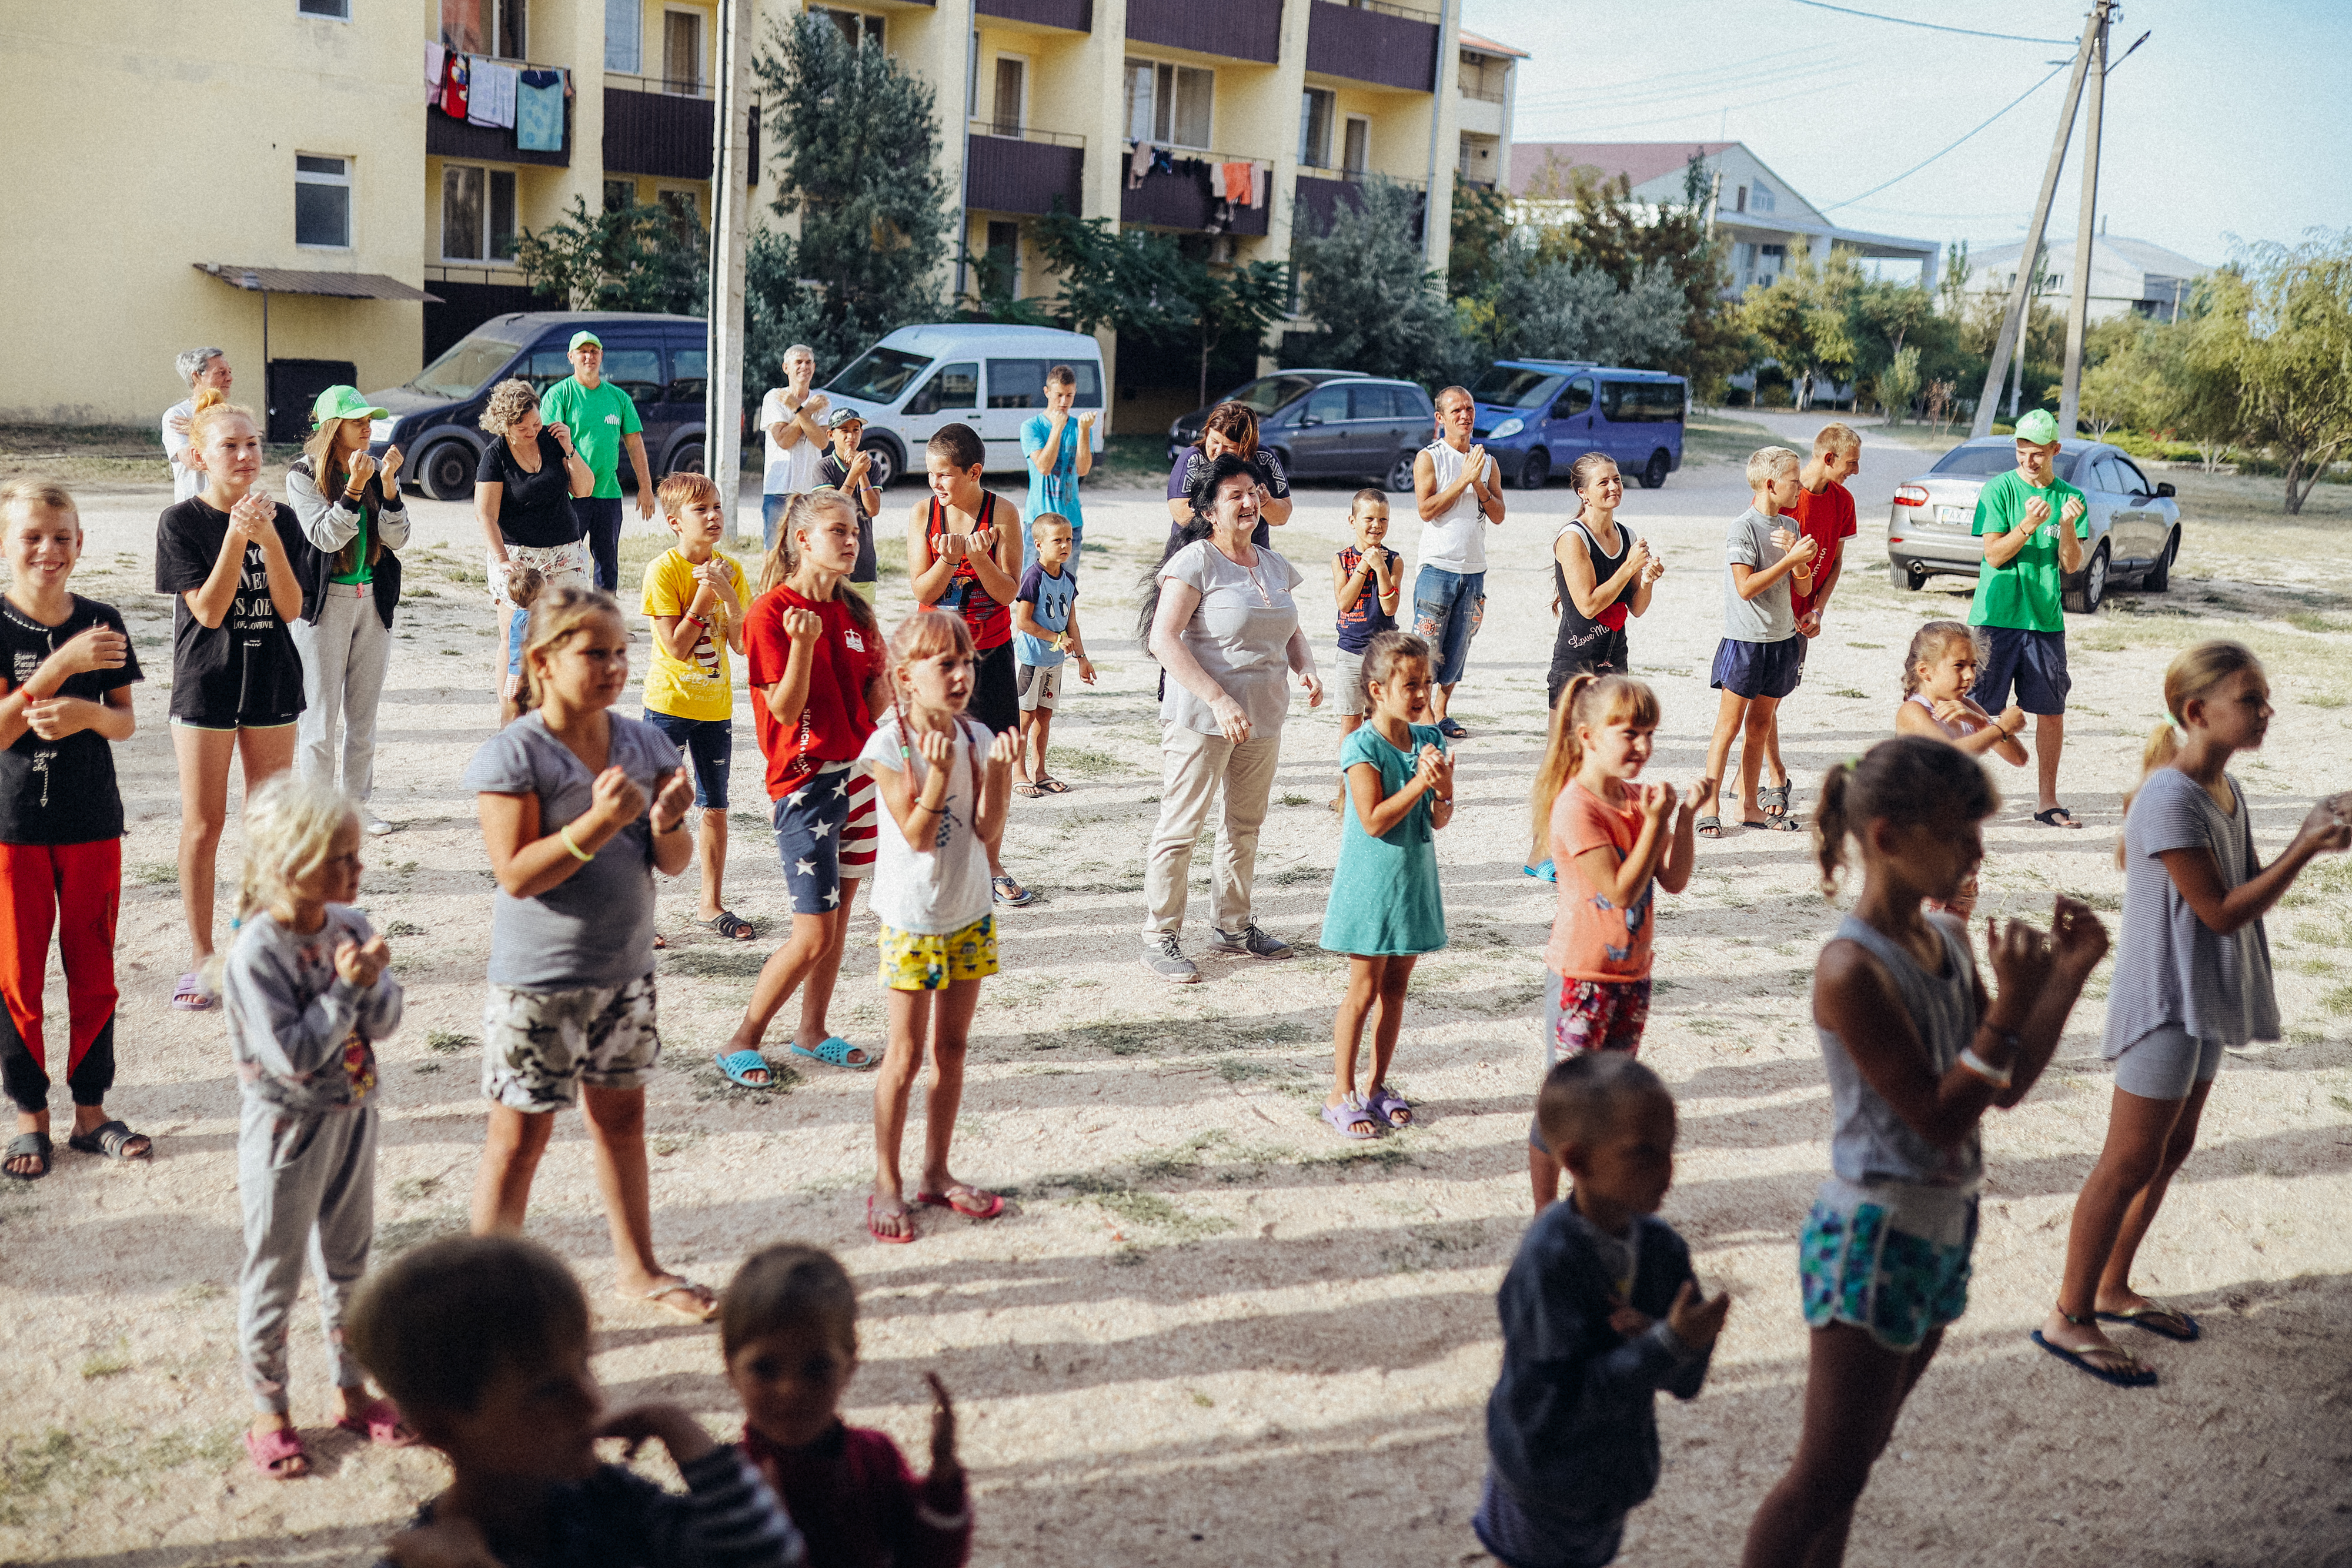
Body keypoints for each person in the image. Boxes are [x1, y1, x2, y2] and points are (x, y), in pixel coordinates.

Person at [1740, 738, 2108, 1568]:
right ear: (1888, 836)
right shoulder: (1849, 967)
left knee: (1852, 1470)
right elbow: (1935, 1116)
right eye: (1958, 833)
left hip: (1942, 1224)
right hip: (1875, 1234)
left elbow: (1999, 1087)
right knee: (1821, 1476)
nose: (1977, 851)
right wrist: (2010, 1008)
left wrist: (2067, 977)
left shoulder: (1946, 939)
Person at [2036, 643, 2352, 1388]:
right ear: (2195, 711)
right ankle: (2068, 1314)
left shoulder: (2223, 788)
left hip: (2202, 996)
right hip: (2163, 999)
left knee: (2170, 1150)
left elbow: (2238, 887)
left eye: (2264, 698)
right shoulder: (2170, 797)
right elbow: (2217, 912)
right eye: (2251, 699)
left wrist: (2314, 834)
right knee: (2127, 1162)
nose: (2265, 711)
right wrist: (2306, 845)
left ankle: (2112, 1288)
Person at [459, 587, 713, 1322]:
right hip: (539, 985)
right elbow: (516, 873)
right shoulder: (514, 753)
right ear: (542, 662)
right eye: (593, 653)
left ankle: (638, 1270)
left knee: (622, 1125)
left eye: (620, 654)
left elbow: (670, 862)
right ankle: (484, 1297)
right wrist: (600, 823)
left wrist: (667, 825)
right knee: (518, 1139)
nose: (612, 668)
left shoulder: (646, 744)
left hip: (625, 977)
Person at [349, 1235, 805, 1568]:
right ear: (444, 1427)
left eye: (584, 1365)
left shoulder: (605, 1500)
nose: (590, 1401)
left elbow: (764, 1553)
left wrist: (672, 1422)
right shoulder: (425, 1560)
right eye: (546, 1391)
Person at [218, 775, 411, 1478]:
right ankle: (269, 1408)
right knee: (275, 1271)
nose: (358, 872)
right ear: (291, 864)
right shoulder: (257, 953)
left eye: (357, 857)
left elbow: (387, 1024)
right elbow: (295, 1058)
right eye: (343, 860)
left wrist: (373, 982)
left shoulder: (352, 926)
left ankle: (352, 1389)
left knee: (351, 1265)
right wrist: (350, 987)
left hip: (355, 1117)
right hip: (285, 1134)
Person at [1477, 1054, 1729, 1568]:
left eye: (1670, 1149)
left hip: (1610, 1479)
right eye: (1645, 1153)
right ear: (1577, 1162)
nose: (1668, 1169)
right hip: (1542, 1478)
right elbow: (1558, 1402)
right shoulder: (1547, 1261)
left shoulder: (1663, 1251)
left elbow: (1685, 1382)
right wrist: (1665, 1344)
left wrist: (1670, 1340)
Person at [714, 491, 888, 1086]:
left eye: (855, 533)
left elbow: (872, 704)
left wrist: (893, 688)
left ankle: (812, 1031)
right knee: (811, 933)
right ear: (803, 540)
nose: (850, 542)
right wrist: (806, 644)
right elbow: (784, 712)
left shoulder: (859, 614)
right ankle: (742, 1038)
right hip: (805, 788)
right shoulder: (770, 613)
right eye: (837, 531)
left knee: (836, 927)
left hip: (859, 781)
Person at [0, 481, 146, 1182]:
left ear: (81, 543)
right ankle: (31, 1115)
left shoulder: (103, 620)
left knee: (93, 968)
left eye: (62, 537)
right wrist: (54, 673)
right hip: (14, 829)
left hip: (92, 822)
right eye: (31, 536)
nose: (48, 550)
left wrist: (88, 715)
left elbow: (123, 719)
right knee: (20, 974)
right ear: (6, 545)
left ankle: (91, 1112)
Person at [857, 610, 1017, 1243]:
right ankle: (886, 1181)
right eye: (944, 664)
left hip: (969, 910)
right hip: (914, 921)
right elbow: (919, 835)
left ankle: (936, 1171)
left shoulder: (976, 736)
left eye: (967, 663)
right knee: (904, 1055)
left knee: (951, 1051)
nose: (960, 676)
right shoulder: (888, 746)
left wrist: (998, 771)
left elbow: (986, 831)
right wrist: (942, 772)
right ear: (905, 677)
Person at [1138, 455, 1323, 983]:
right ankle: (1160, 936)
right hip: (1201, 717)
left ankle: (1234, 925)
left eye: (1253, 491)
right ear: (1210, 511)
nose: (1249, 502)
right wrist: (1217, 698)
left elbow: (1289, 626)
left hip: (1263, 717)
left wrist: (1305, 666)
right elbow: (1163, 639)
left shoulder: (1272, 562)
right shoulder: (1196, 560)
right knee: (1182, 827)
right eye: (1235, 495)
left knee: (1244, 825)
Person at [155, 389, 307, 1011]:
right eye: (230, 446)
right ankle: (201, 956)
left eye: (252, 445)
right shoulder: (180, 522)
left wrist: (268, 538)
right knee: (204, 824)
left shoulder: (284, 519)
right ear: (200, 455)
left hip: (273, 679)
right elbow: (212, 609)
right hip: (206, 685)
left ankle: (259, 945)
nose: (245, 456)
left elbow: (292, 608)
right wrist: (237, 536)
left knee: (267, 824)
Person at [1524, 674, 1697, 1209]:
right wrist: (1655, 824)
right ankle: (1545, 1216)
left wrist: (1683, 818)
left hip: (1631, 976)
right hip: (1582, 977)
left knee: (1611, 1104)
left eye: (1649, 733)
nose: (1642, 746)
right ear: (1588, 737)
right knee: (1566, 1103)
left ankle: (1590, 1206)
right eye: (1629, 733)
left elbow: (1673, 879)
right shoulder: (1576, 807)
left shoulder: (1642, 798)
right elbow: (1621, 891)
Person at [722, 1242, 974, 1567]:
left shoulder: (875, 1458)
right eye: (765, 1369)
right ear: (730, 1369)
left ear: (850, 1365)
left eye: (816, 1367)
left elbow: (926, 1559)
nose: (792, 1390)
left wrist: (943, 1481)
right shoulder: (729, 1486)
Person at [1316, 631, 1452, 1139]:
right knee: (1363, 990)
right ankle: (1340, 1092)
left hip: (1413, 880)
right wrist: (1419, 782)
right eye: (1411, 684)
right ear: (1376, 690)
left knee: (1396, 990)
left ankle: (1376, 1085)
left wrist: (1443, 791)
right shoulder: (1361, 745)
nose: (1422, 693)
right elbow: (1372, 820)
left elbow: (1438, 819)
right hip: (1371, 885)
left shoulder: (1430, 740)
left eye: (1427, 682)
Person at [906, 422, 1032, 908]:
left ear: (974, 471)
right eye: (931, 474)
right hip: (935, 661)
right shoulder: (923, 513)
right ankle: (934, 861)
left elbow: (1008, 592)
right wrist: (947, 561)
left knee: (995, 763)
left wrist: (979, 560)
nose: (936, 484)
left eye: (945, 475)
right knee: (932, 760)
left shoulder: (1003, 512)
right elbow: (921, 590)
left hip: (992, 654)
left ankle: (991, 863)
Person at [286, 386, 410, 837]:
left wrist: (390, 486)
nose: (368, 428)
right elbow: (325, 536)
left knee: (364, 716)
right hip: (325, 605)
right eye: (358, 421)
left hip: (373, 599)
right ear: (333, 429)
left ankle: (356, 806)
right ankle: (319, 812)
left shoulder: (375, 469)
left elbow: (397, 539)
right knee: (319, 717)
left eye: (369, 420)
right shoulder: (302, 475)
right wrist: (356, 488)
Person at [641, 472, 753, 942]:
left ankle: (710, 902)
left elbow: (744, 645)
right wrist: (705, 596)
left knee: (716, 806)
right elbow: (677, 647)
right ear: (674, 521)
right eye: (701, 510)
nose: (713, 517)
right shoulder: (663, 571)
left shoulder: (733, 570)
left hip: (715, 707)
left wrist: (727, 593)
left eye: (718, 507)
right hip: (668, 704)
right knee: (654, 809)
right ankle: (640, 915)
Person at [1966, 407, 2089, 829]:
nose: (2028, 460)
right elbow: (1994, 554)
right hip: (1995, 617)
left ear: (2055, 449)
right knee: (1977, 709)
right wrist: (2028, 525)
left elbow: (2072, 565)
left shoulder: (2071, 497)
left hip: (2045, 622)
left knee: (2051, 711)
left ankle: (2047, 801)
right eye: (2021, 451)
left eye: (2037, 453)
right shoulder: (1998, 490)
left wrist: (2067, 526)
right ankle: (1964, 798)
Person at [1692, 447, 1816, 840]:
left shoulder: (1790, 527)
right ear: (1770, 483)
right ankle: (1709, 804)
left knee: (1760, 726)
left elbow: (1804, 584)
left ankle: (1748, 806)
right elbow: (1745, 588)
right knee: (1728, 727)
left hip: (1781, 641)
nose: (1800, 485)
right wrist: (1788, 558)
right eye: (1794, 479)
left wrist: (1799, 562)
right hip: (1746, 642)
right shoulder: (1742, 528)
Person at [1755, 423, 1863, 820]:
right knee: (1763, 699)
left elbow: (1834, 562)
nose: (1856, 470)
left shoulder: (1844, 501)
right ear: (1829, 458)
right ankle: (1774, 776)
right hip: (1770, 616)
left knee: (1775, 697)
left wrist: (1818, 607)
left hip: (1804, 618)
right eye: (1851, 463)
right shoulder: (1782, 495)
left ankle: (1752, 775)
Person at [475, 377, 594, 722]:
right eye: (523, 426)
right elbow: (485, 513)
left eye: (536, 422)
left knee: (569, 634)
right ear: (505, 424)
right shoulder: (495, 455)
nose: (532, 430)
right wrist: (501, 562)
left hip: (565, 554)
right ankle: (511, 717)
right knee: (514, 638)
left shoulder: (553, 441)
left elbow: (585, 490)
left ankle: (563, 714)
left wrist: (569, 448)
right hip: (518, 559)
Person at [1892, 621, 2029, 922]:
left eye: (1972, 665)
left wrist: (1982, 722)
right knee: (1922, 933)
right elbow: (1950, 757)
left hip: (1963, 839)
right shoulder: (1914, 712)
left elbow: (2019, 757)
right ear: (1925, 671)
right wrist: (2001, 727)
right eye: (1959, 666)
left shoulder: (1967, 706)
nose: (1969, 675)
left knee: (1953, 932)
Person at [1409, 386, 1506, 739]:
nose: (1465, 416)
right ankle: (1419, 716)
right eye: (1456, 411)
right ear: (1441, 418)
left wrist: (1479, 484)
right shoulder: (1429, 457)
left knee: (1460, 645)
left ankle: (1442, 711)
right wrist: (1463, 479)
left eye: (1469, 409)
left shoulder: (1488, 461)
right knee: (1426, 647)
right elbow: (1426, 509)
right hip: (1438, 567)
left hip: (1474, 570)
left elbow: (1498, 514)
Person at [539, 331, 654, 592]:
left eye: (594, 351)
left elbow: (635, 445)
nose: (589, 356)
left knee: (607, 562)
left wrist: (646, 488)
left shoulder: (619, 398)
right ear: (571, 357)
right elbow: (548, 445)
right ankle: (565, 621)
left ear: (602, 356)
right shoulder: (559, 395)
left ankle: (604, 625)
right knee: (565, 559)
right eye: (582, 351)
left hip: (608, 493)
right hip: (571, 495)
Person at [1547, 453, 1661, 709]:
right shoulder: (1573, 538)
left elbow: (1637, 608)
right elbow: (1587, 606)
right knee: (1566, 749)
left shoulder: (1626, 535)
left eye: (1617, 480)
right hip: (1576, 663)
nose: (1614, 487)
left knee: (1610, 747)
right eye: (1603, 482)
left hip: (1616, 660)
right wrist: (1630, 566)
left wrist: (1648, 580)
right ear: (1583, 493)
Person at [1010, 514, 1095, 797]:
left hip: (1054, 663)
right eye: (1057, 540)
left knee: (1044, 717)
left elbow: (1072, 623)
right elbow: (1022, 622)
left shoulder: (1069, 580)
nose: (1065, 545)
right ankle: (1018, 772)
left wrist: (1082, 658)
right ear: (1039, 544)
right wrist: (1056, 638)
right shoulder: (1033, 577)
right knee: (1025, 717)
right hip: (1032, 660)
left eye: (1069, 539)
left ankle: (1040, 771)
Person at [1327, 488, 1401, 809]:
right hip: (1350, 653)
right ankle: (1346, 792)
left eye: (1383, 519)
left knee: (1382, 723)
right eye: (1369, 519)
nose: (1376, 526)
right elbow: (1344, 602)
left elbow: (1390, 607)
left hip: (1383, 655)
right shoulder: (1341, 559)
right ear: (1352, 520)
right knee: (1351, 724)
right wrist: (1363, 567)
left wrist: (1380, 567)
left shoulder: (1395, 559)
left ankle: (1379, 791)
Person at [1162, 402, 1292, 551]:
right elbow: (1181, 513)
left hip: (1251, 552)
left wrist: (1265, 502)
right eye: (1214, 441)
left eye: (1229, 447)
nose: (1219, 451)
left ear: (1246, 445)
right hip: (1197, 550)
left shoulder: (1265, 458)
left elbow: (1282, 517)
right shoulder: (1192, 458)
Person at [1020, 366, 1093, 572]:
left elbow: (1083, 469)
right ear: (1047, 392)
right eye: (1059, 395)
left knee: (1068, 584)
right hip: (1039, 520)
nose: (1064, 402)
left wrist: (1084, 432)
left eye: (1069, 395)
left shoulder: (1081, 426)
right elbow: (1044, 467)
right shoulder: (1031, 426)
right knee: (1031, 583)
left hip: (1071, 521)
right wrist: (1057, 428)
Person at [760, 345, 831, 553]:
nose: (804, 367)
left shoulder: (822, 401)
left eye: (808, 362)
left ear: (814, 367)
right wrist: (807, 411)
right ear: (786, 368)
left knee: (805, 551)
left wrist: (798, 409)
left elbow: (822, 441)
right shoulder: (775, 398)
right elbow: (783, 440)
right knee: (774, 550)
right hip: (778, 488)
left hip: (810, 488)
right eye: (798, 362)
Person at [816, 407, 882, 603]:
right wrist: (853, 473)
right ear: (831, 435)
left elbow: (872, 509)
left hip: (863, 562)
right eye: (844, 430)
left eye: (856, 430)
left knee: (863, 625)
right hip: (832, 562)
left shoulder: (872, 466)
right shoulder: (824, 467)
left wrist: (862, 473)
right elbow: (832, 510)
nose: (850, 436)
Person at [163, 347, 234, 504]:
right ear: (196, 376)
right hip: (195, 507)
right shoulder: (177, 415)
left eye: (229, 372)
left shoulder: (233, 415)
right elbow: (192, 461)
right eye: (221, 373)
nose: (230, 378)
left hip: (233, 507)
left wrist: (197, 430)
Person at [502, 564, 547, 723]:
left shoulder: (519, 615)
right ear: (537, 600)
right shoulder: (529, 621)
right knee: (526, 713)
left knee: (515, 714)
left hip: (515, 672)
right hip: (525, 674)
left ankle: (508, 735)